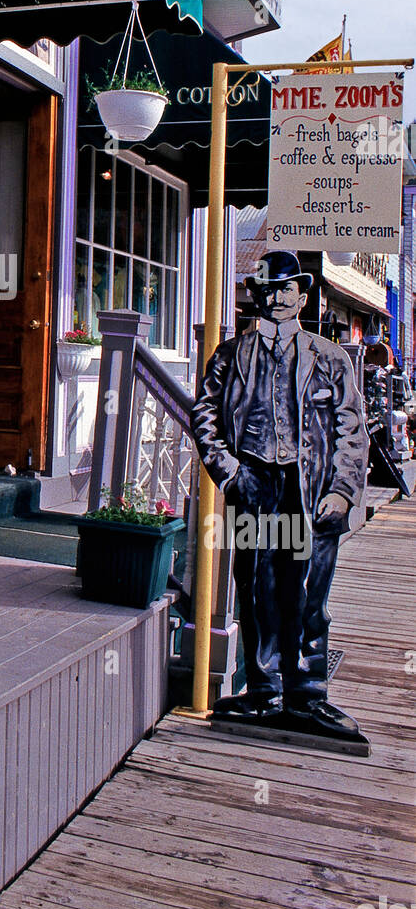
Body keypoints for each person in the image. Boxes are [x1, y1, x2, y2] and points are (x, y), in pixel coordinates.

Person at [191, 251, 369, 743]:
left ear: (302, 296)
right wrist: (230, 474)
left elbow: (351, 428)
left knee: (309, 589)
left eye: (288, 288)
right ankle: (263, 691)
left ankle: (307, 695)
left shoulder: (330, 358)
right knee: (256, 585)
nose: (278, 297)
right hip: (254, 482)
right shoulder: (230, 355)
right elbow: (205, 417)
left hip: (307, 485)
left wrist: (343, 489)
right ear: (257, 296)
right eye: (270, 289)